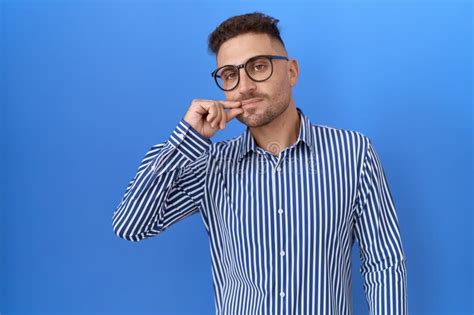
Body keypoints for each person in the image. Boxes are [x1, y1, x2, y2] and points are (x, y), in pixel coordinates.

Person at [112, 12, 408, 315]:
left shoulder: (353, 153)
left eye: (258, 67)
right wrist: (187, 138)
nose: (244, 86)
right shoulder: (211, 165)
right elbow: (131, 225)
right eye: (230, 74)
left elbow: (383, 262)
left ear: (291, 71)